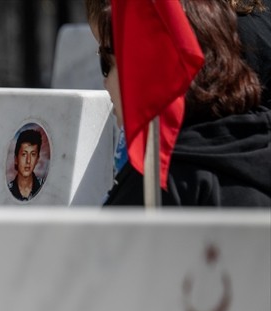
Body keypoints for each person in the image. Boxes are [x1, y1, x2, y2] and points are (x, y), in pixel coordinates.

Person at [88, 0, 271, 206]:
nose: (104, 81)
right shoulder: (260, 151)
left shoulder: (156, 183)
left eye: (107, 63)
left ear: (152, 65)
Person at [7, 127, 45, 201]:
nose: (28, 161)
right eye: (24, 154)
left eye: (33, 154)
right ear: (16, 159)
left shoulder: (45, 186)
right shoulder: (8, 190)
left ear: (37, 159)